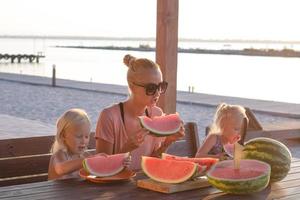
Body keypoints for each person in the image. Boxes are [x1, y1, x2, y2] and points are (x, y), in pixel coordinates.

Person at [95, 54, 184, 171]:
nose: (157, 93)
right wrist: (127, 148)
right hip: (115, 187)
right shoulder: (109, 116)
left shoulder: (156, 113)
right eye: (151, 88)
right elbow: (102, 168)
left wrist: (168, 142)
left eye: (160, 86)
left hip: (144, 184)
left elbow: (152, 160)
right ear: (132, 86)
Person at [48, 108, 130, 180]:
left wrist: (120, 163)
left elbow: (101, 172)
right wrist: (89, 160)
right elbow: (61, 169)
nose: (83, 141)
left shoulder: (84, 155)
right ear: (63, 136)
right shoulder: (60, 154)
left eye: (86, 136)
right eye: (79, 136)